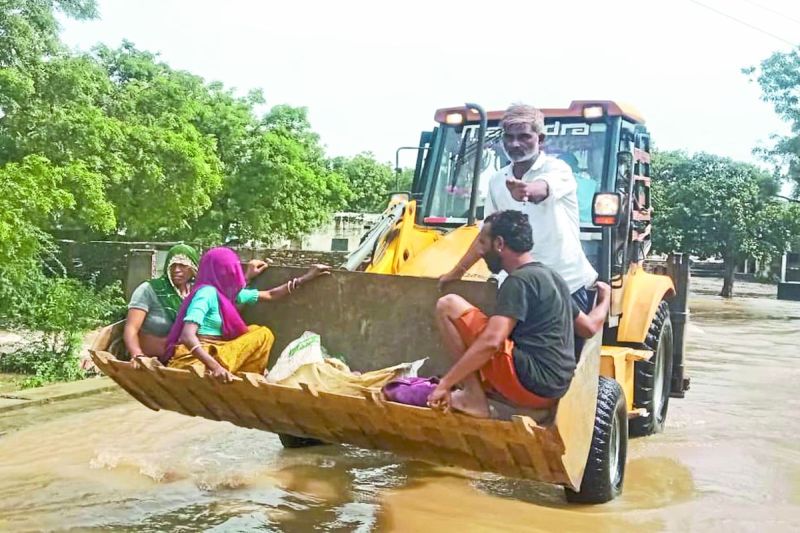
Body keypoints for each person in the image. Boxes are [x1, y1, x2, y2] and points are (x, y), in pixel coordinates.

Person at [428, 210, 610, 418]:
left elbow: (491, 342)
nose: (481, 252)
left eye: (484, 243)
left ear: (499, 244)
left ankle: (473, 397)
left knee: (448, 305)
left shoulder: (518, 282)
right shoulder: (553, 277)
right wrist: (604, 300)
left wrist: (446, 383)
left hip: (531, 383)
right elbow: (588, 327)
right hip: (554, 390)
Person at [439, 103, 598, 315]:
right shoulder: (497, 181)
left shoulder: (557, 169)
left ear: (540, 140)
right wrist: (455, 273)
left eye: (524, 137)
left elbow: (541, 189)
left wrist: (525, 191)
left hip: (564, 284)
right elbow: (485, 237)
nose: (515, 144)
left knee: (562, 349)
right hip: (519, 286)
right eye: (509, 137)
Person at [161, 247, 331, 382]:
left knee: (261, 333)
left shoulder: (225, 294)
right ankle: (230, 369)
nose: (233, 273)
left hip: (220, 351)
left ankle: (239, 371)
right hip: (198, 357)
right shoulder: (206, 293)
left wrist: (307, 278)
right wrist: (216, 367)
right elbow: (187, 336)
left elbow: (271, 294)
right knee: (261, 333)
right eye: (230, 270)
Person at [124, 244, 200, 359]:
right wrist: (137, 354)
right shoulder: (149, 289)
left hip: (184, 360)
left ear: (193, 268)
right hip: (151, 361)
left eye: (183, 265)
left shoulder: (198, 294)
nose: (177, 270)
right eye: (172, 265)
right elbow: (131, 328)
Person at [557, 152, 598, 225]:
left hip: (566, 227)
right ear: (575, 167)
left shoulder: (556, 185)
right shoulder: (593, 184)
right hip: (592, 227)